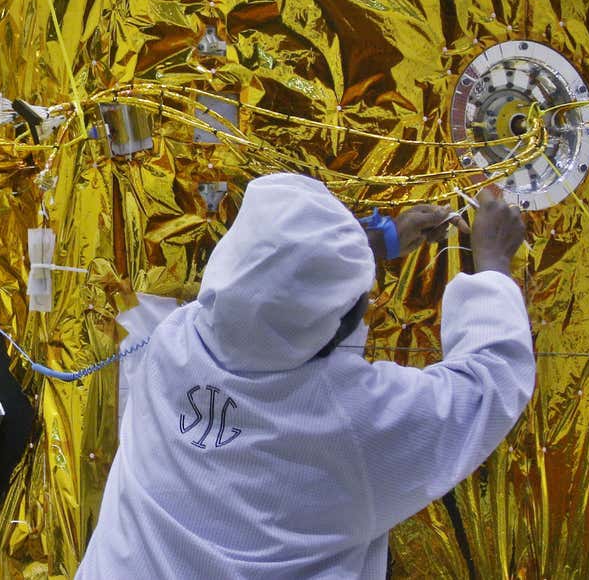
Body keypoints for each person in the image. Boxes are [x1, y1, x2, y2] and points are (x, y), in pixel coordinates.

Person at [79, 173, 534, 578]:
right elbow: (489, 382)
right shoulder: (350, 421)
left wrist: (375, 242)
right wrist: (493, 263)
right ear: (342, 321)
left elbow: (262, 280)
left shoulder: (174, 342)